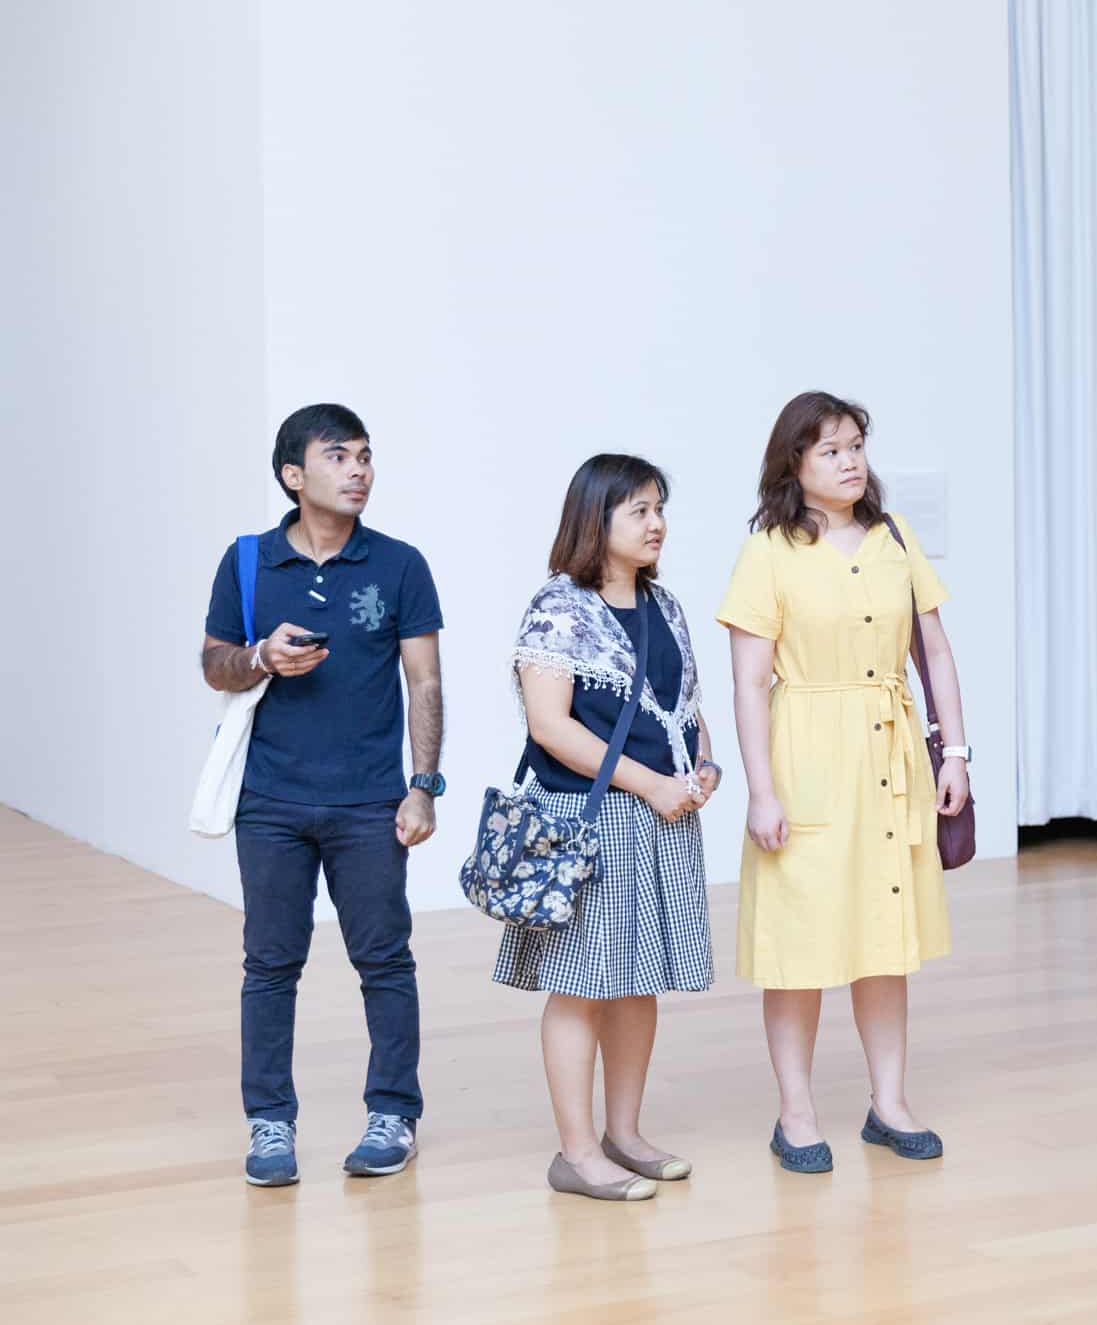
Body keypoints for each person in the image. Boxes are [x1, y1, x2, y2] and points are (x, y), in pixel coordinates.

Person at [718, 391, 971, 1174]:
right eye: (829, 449)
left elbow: (935, 650)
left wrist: (956, 752)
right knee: (799, 944)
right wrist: (761, 789)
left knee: (884, 940)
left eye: (856, 445)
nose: (849, 461)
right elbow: (748, 681)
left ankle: (888, 1102)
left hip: (891, 760)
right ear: (793, 462)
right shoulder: (768, 550)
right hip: (806, 760)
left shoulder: (894, 537)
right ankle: (795, 1112)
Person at [199, 403, 444, 1188]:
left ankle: (393, 1113)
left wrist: (422, 787)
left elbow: (425, 682)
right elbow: (213, 663)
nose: (359, 469)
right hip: (269, 799)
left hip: (370, 801)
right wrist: (261, 657)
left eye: (365, 455)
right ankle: (270, 1122)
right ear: (293, 475)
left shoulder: (400, 564)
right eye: (338, 456)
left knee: (384, 958)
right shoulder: (248, 562)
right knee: (270, 963)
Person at [496, 454, 721, 1202]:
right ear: (597, 520)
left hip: (663, 819)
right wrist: (652, 783)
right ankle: (577, 1152)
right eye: (640, 511)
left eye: (660, 509)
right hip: (591, 821)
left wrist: (704, 766)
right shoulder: (558, 607)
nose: (657, 524)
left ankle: (625, 1135)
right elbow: (550, 725)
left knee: (637, 980)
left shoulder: (666, 606)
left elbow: (684, 708)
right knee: (580, 986)